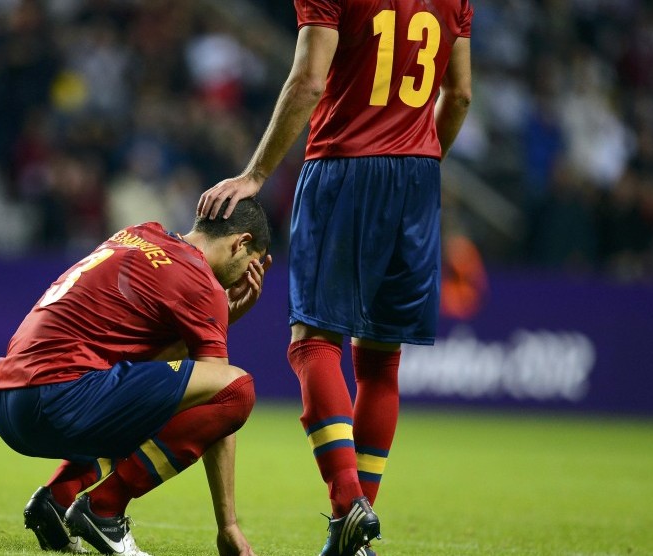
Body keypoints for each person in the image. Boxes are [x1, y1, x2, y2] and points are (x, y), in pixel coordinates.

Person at [197, 2, 473, 555]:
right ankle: (353, 537)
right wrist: (422, 157)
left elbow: (308, 79)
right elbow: (460, 94)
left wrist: (256, 174)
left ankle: (349, 503)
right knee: (380, 360)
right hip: (417, 177)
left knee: (314, 344)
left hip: (344, 165)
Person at [0, 199, 272, 556]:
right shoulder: (202, 283)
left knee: (163, 396)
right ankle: (104, 509)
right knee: (238, 389)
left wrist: (220, 321)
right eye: (251, 264)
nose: (246, 277)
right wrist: (228, 524)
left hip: (7, 402)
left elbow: (146, 371)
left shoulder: (138, 234)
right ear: (241, 243)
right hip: (59, 398)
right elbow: (222, 391)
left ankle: (58, 498)